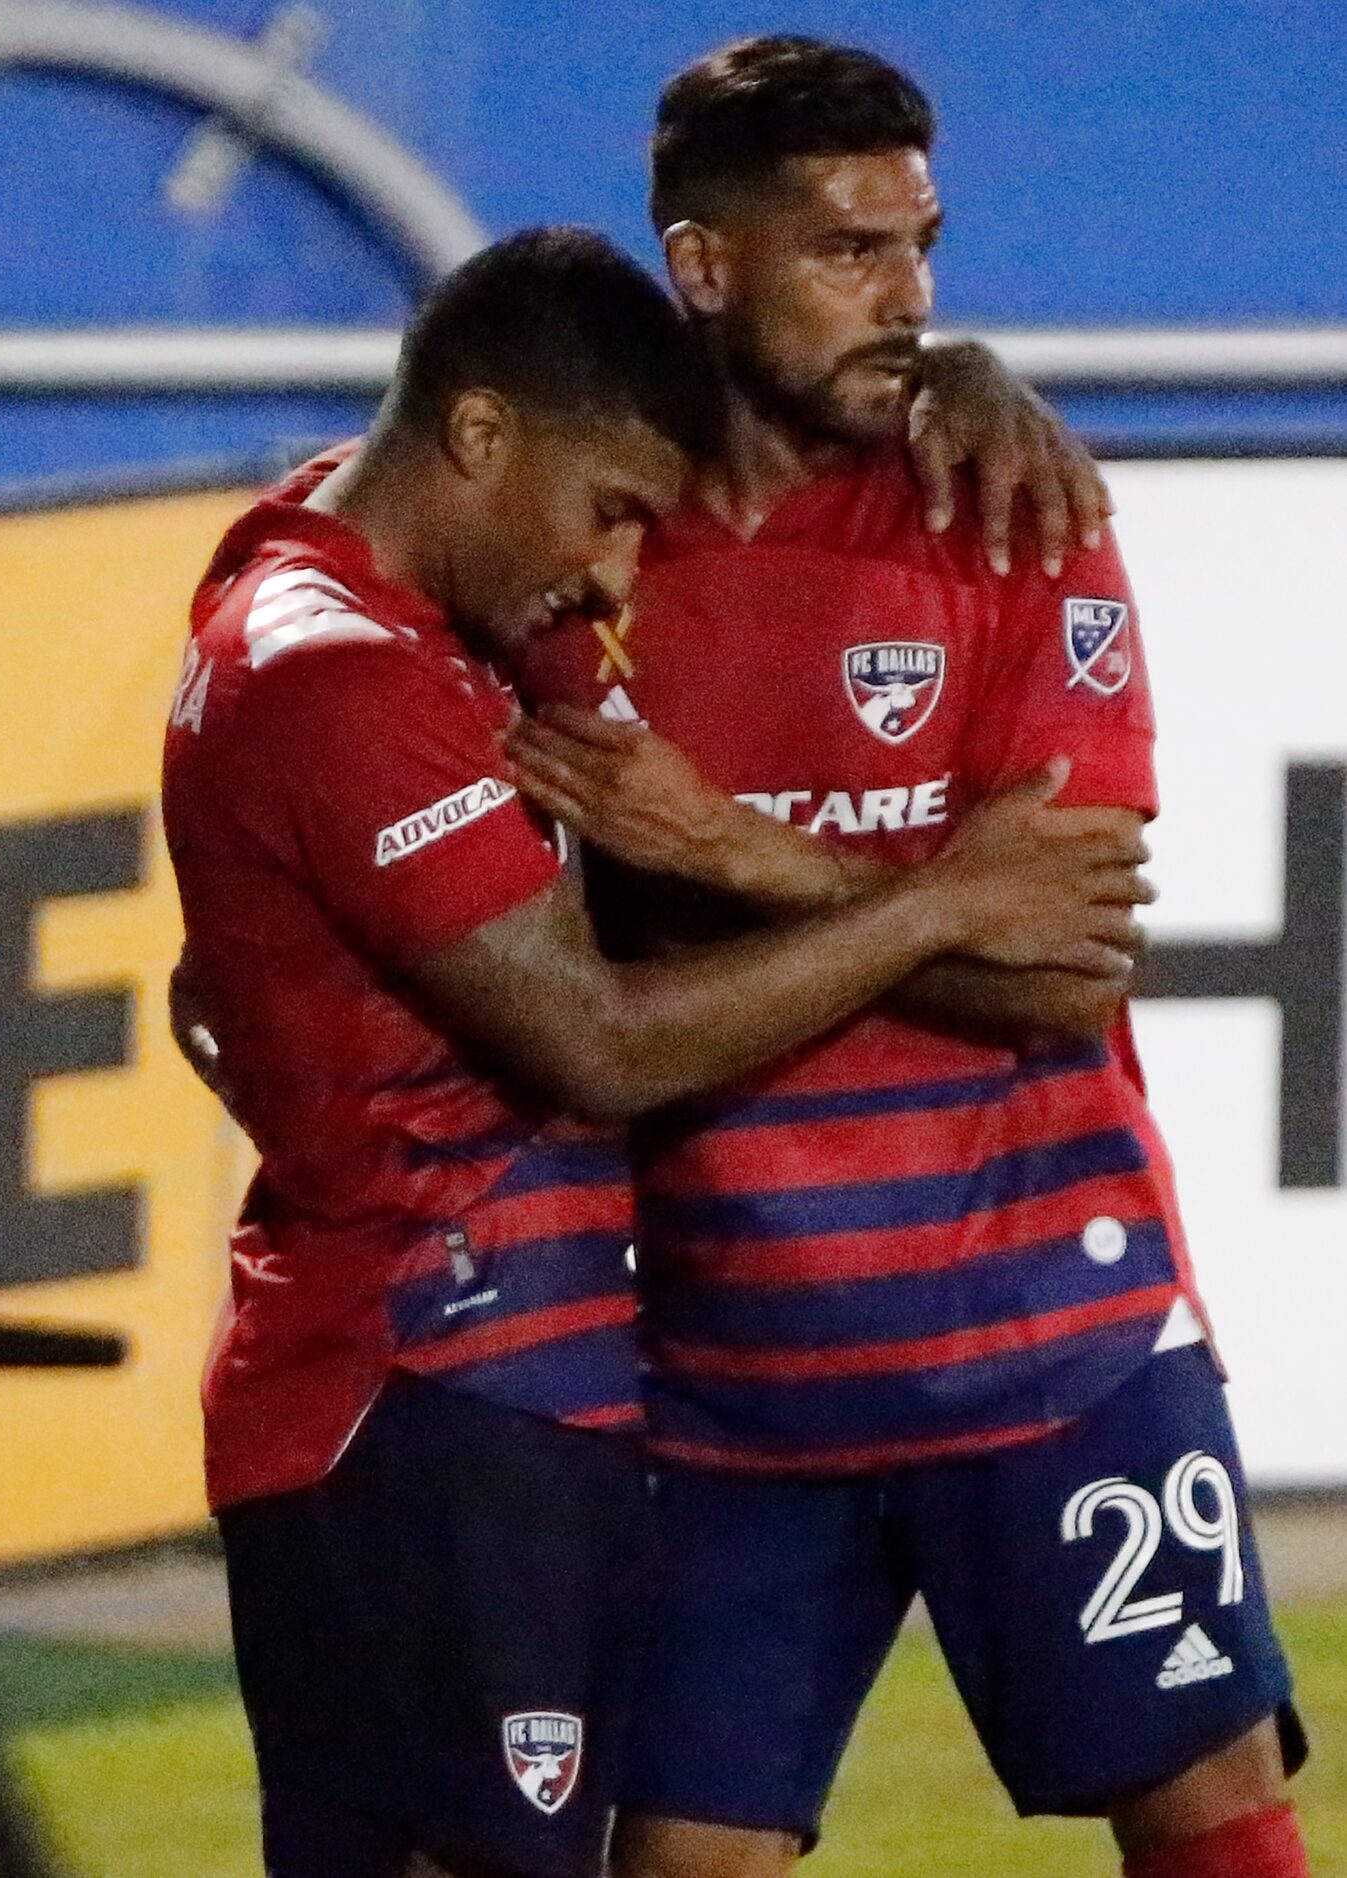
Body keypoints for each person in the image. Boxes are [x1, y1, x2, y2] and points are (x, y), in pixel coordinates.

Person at [162, 226, 1150, 1878]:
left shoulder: (344, 563)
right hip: (427, 1393)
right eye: (612, 510)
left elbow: (560, 321)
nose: (619, 577)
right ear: (481, 440)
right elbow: (604, 1045)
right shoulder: (342, 670)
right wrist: (941, 899)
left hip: (453, 1387)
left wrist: (953, 376)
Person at [510, 41, 1310, 1878]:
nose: (914, 298)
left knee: (1214, 1827)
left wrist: (732, 851)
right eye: (851, 252)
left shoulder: (1011, 513)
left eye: (924, 247)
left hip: (1057, 1329)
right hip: (730, 1366)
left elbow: (1065, 970)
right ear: (703, 265)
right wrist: (936, 889)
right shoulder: (586, 550)